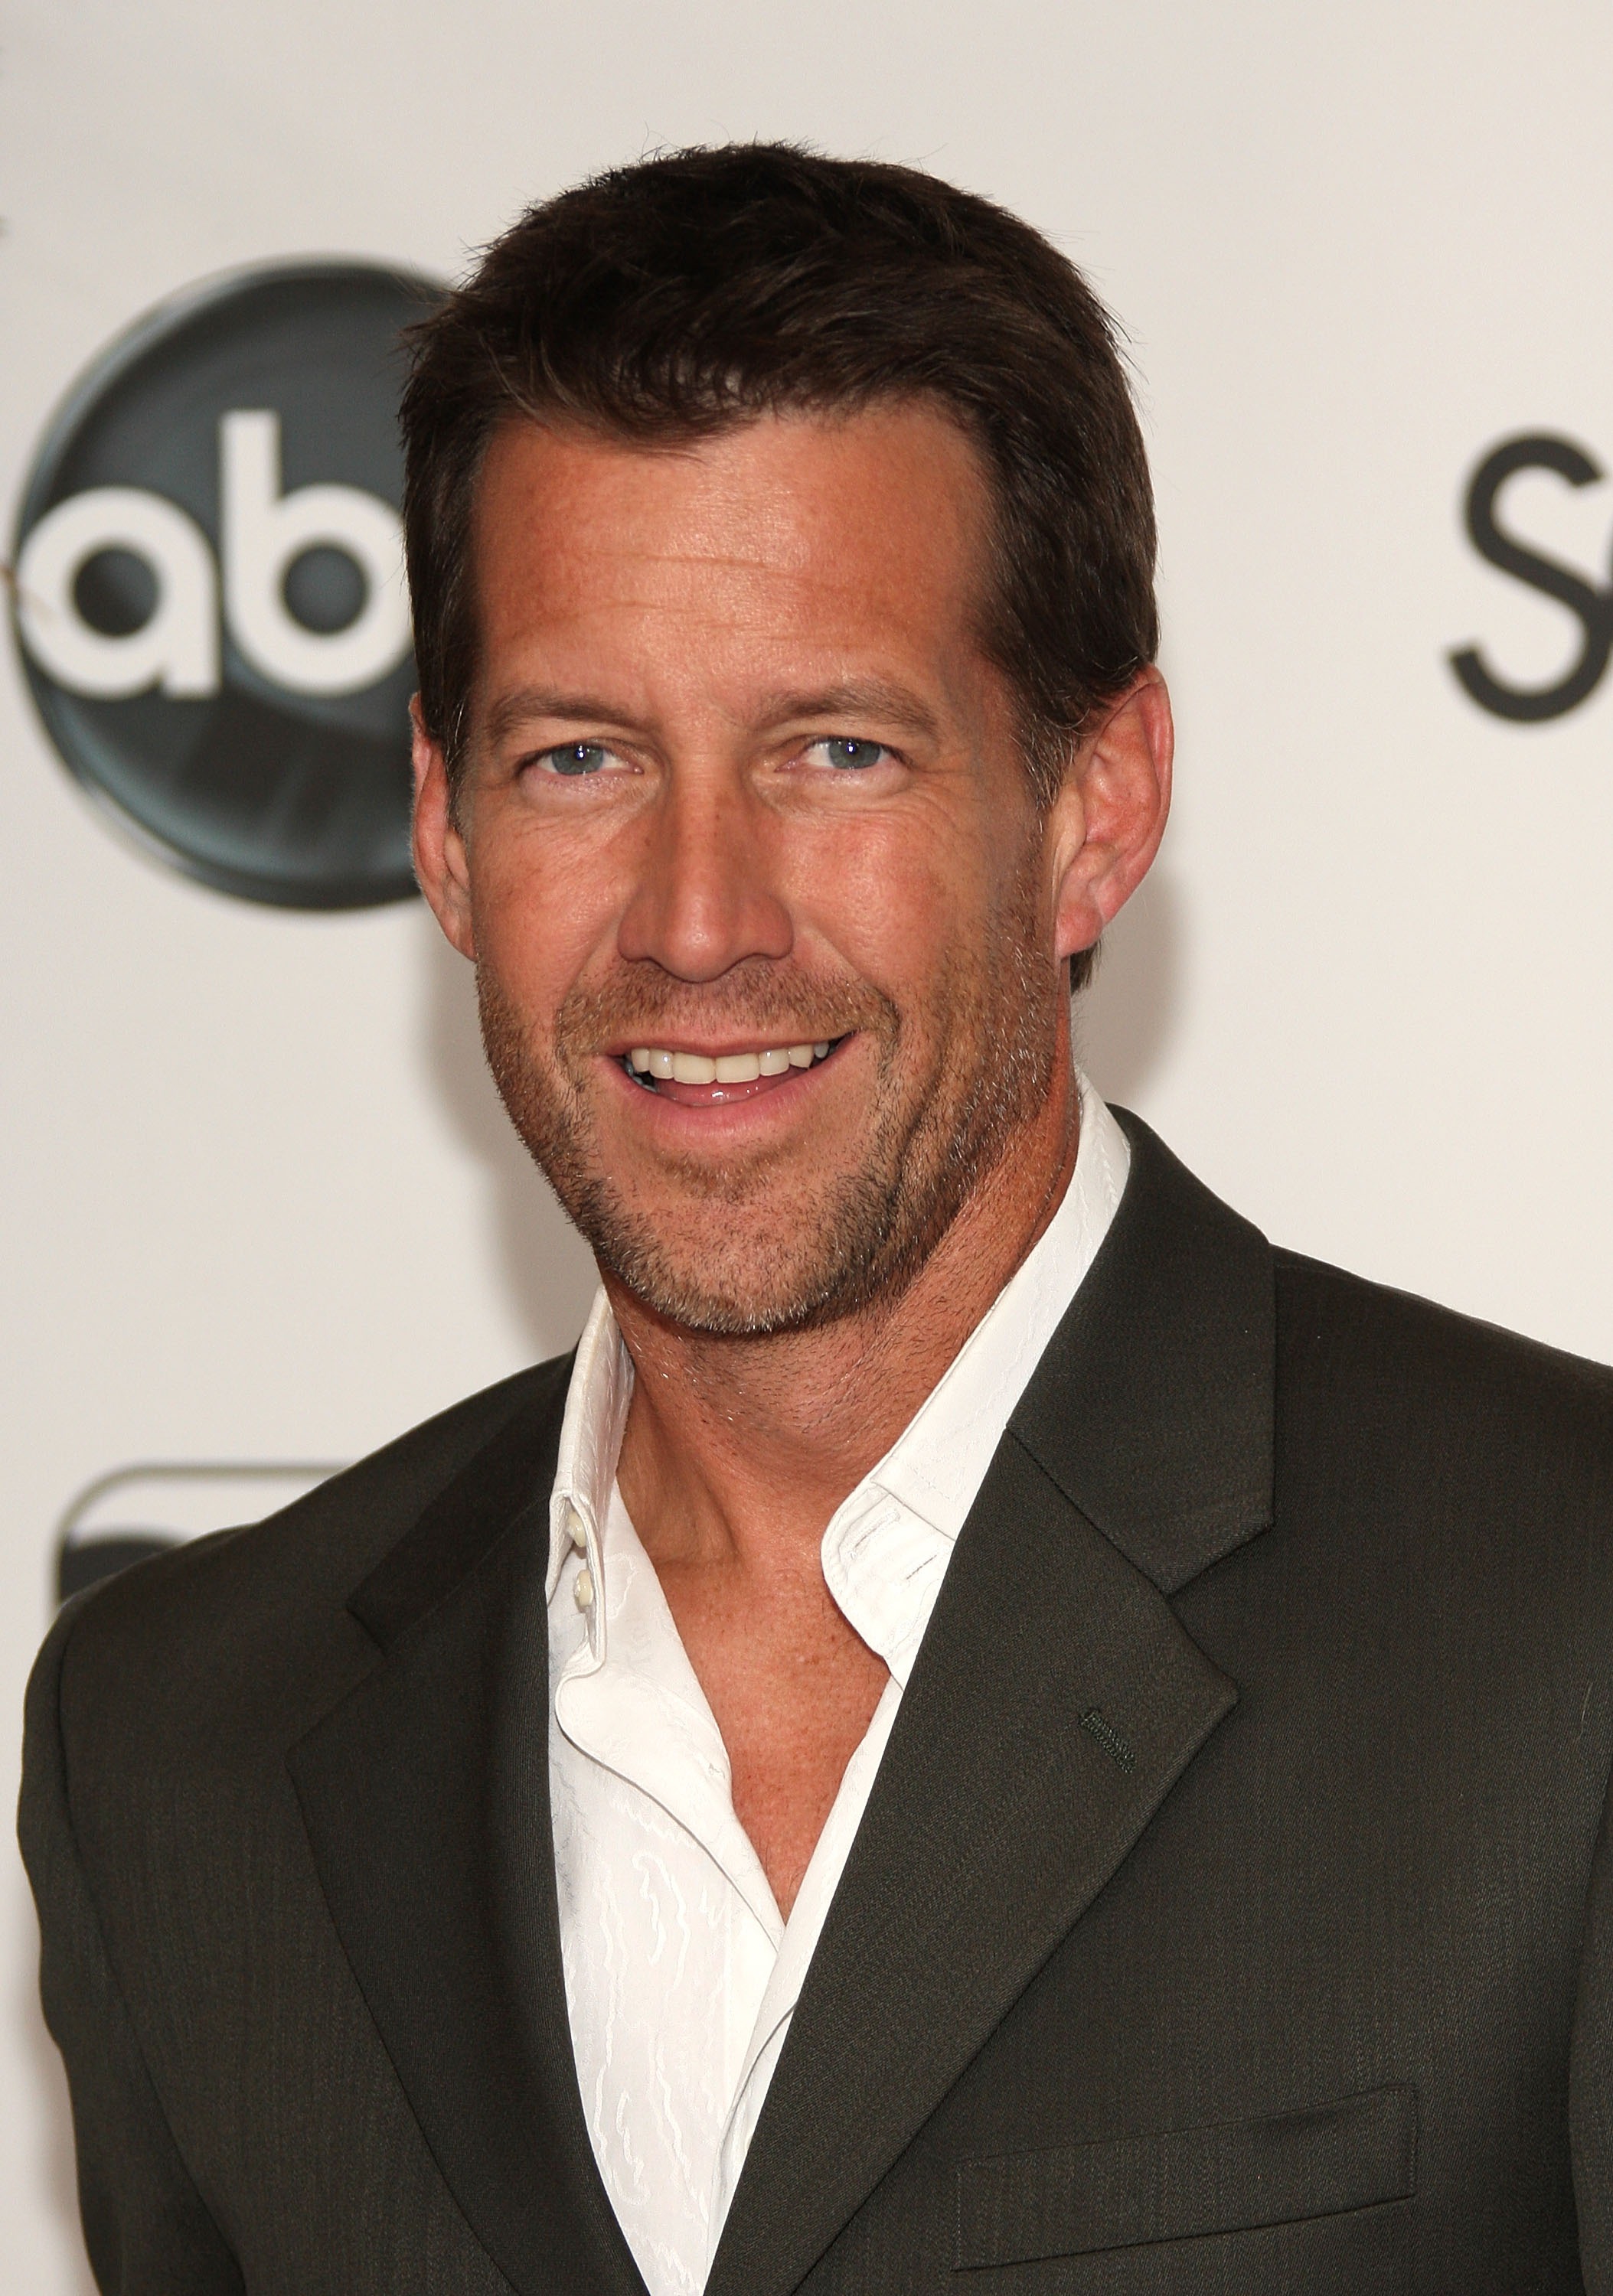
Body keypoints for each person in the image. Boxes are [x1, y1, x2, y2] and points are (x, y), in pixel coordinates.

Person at [20, 142, 1613, 2296]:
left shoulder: (1564, 1628)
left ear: (1095, 804)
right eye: (580, 758)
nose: (699, 921)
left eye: (837, 751)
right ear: (444, 832)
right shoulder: (179, 1747)